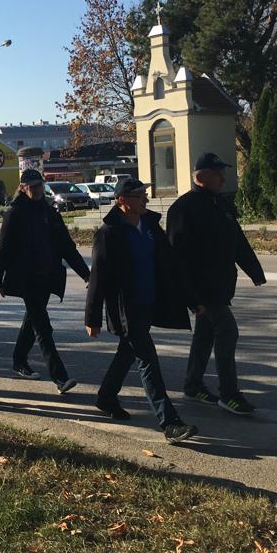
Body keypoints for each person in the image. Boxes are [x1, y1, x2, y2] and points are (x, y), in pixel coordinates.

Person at [86, 178, 198, 443]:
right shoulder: (109, 233)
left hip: (149, 302)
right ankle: (169, 422)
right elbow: (98, 277)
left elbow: (169, 263)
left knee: (127, 352)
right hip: (126, 307)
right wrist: (92, 317)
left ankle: (106, 397)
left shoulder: (149, 226)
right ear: (122, 201)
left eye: (144, 194)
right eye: (139, 196)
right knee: (148, 360)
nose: (145, 199)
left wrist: (189, 298)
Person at [166, 152, 266, 416]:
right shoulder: (183, 208)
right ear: (201, 177)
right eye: (217, 173)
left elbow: (237, 240)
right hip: (202, 289)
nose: (223, 178)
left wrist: (254, 270)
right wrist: (190, 297)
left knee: (205, 334)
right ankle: (229, 394)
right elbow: (176, 257)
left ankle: (193, 384)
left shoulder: (219, 204)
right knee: (228, 331)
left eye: (223, 172)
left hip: (221, 285)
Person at [0, 169, 90, 394]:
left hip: (47, 276)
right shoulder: (14, 214)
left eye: (39, 185)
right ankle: (60, 378)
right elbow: (2, 250)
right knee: (43, 327)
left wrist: (86, 274)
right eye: (32, 186)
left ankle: (18, 360)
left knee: (32, 320)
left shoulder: (49, 212)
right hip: (26, 279)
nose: (36, 190)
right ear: (23, 188)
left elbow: (67, 246)